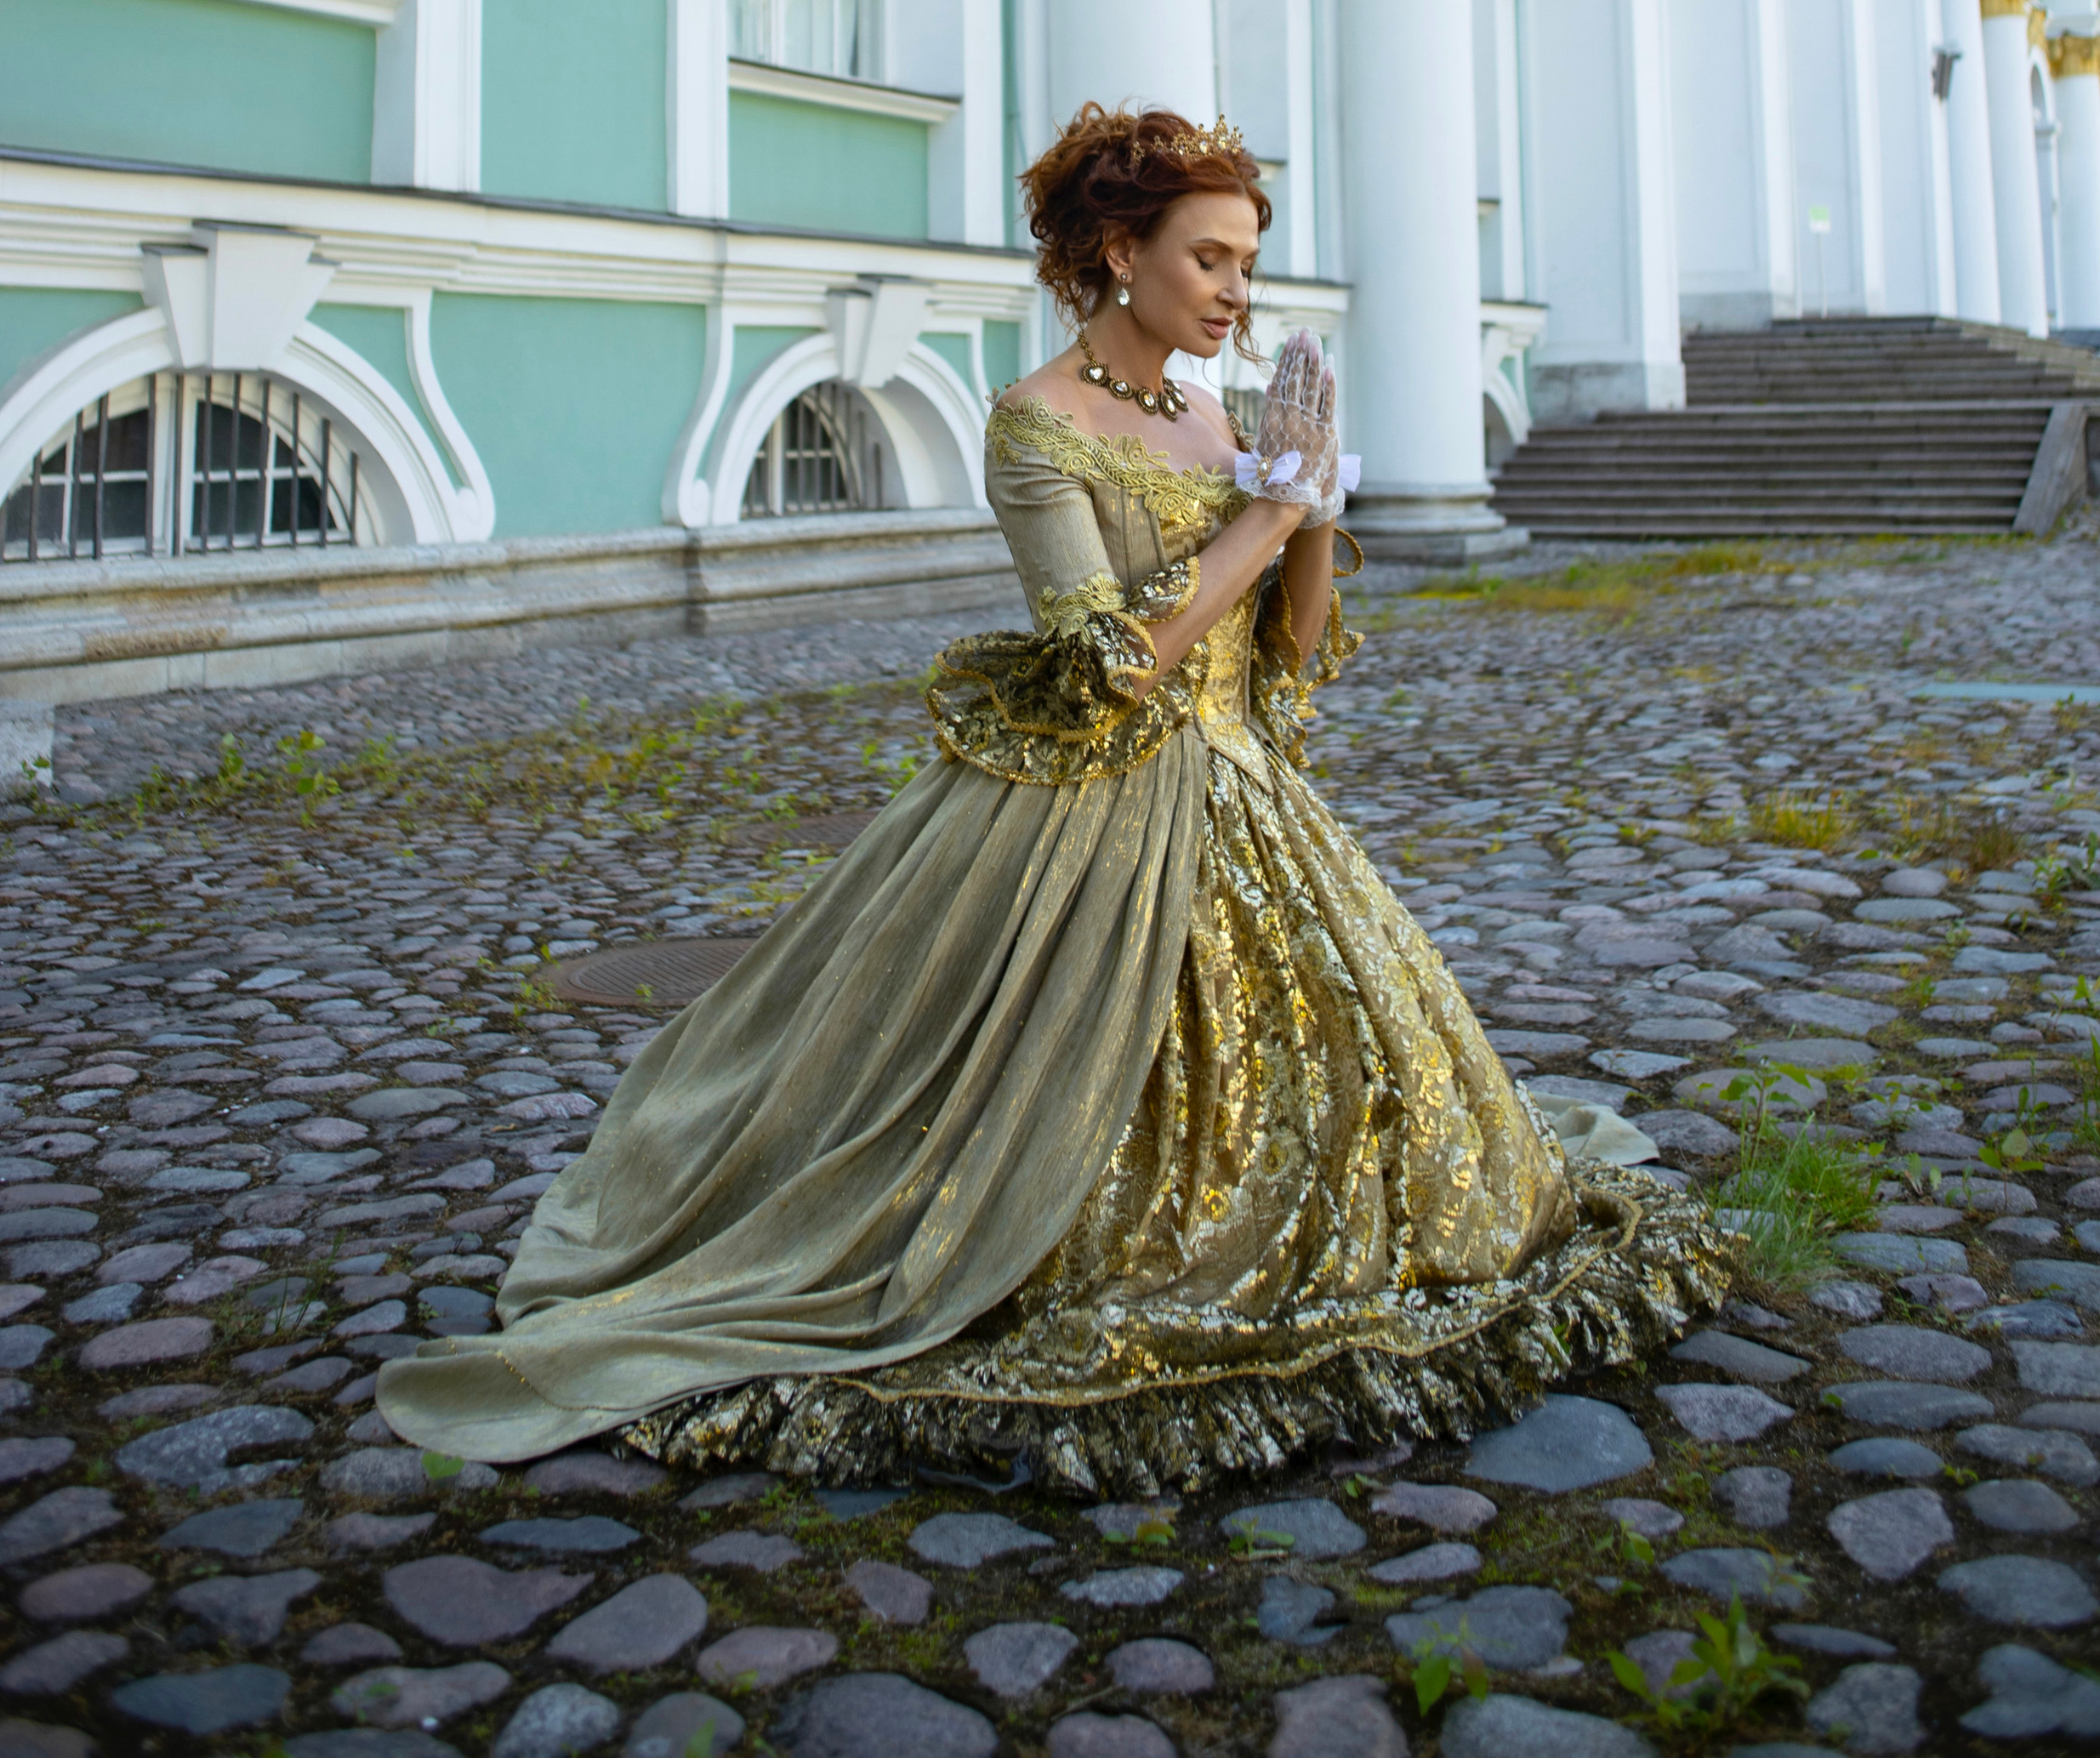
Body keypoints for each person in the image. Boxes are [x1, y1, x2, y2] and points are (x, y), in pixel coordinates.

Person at [378, 104, 1723, 1490]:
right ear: (1119, 254)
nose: (1236, 293)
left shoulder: (1214, 414)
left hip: (1244, 790)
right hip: (1089, 802)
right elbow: (1112, 667)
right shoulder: (1036, 424)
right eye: (1209, 259)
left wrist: (1315, 511)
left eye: (1248, 265)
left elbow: (1287, 657)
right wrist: (1267, 514)